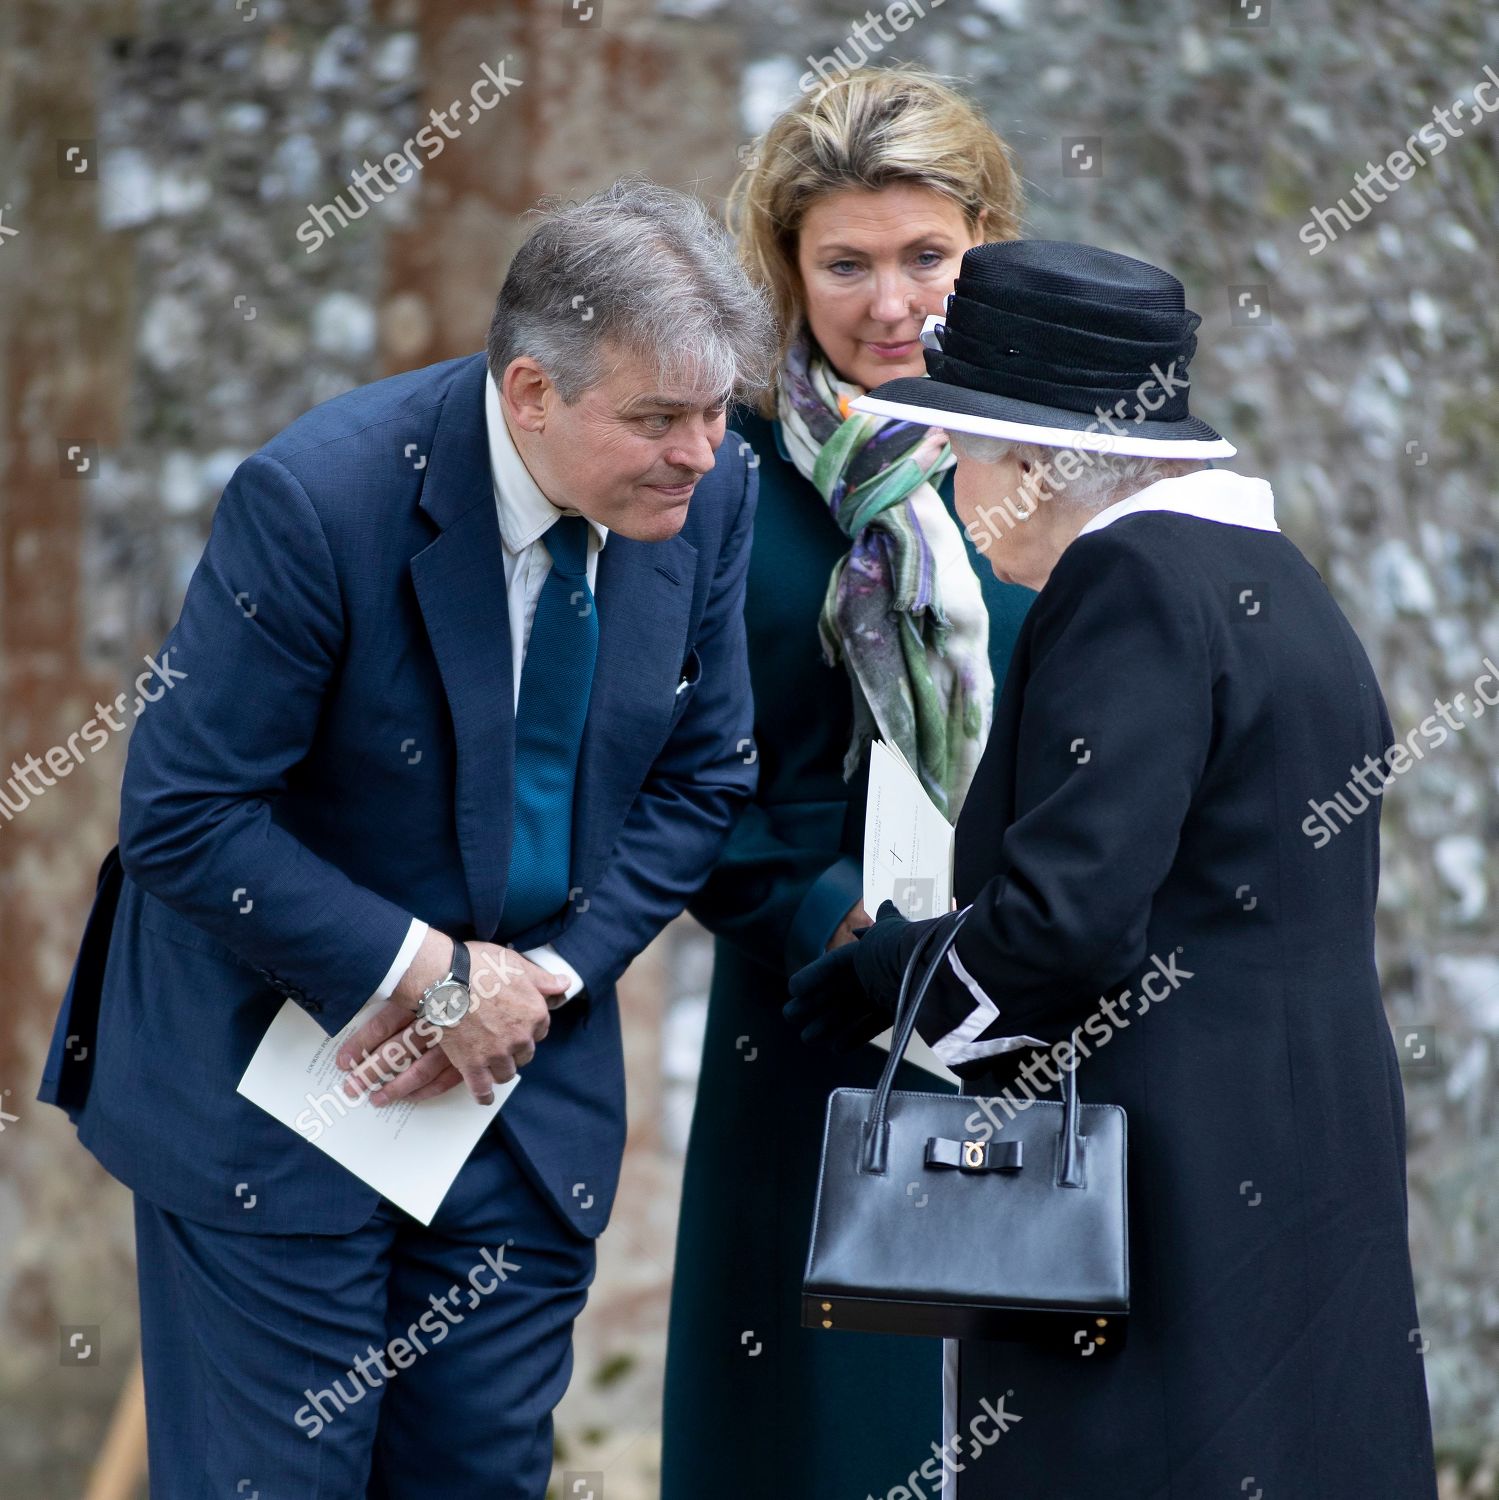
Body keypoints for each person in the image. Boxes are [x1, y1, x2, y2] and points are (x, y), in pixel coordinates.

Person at [37, 177, 775, 1500]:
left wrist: (539, 982)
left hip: (517, 1089)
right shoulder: (318, 501)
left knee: (477, 1478)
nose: (698, 452)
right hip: (268, 1080)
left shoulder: (708, 501)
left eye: (716, 411)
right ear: (529, 392)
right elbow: (181, 814)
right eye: (657, 419)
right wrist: (430, 977)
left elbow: (701, 777)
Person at [786, 238, 1439, 1498]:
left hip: (1166, 1164)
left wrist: (887, 975)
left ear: (1032, 461)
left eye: (962, 451)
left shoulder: (1127, 580)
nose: (955, 488)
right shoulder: (1275, 577)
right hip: (1307, 1137)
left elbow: (1068, 922)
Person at [662, 66, 1036, 1498]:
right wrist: (832, 927)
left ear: (984, 242)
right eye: (845, 263)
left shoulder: (1051, 454)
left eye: (926, 257)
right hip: (812, 1003)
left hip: (1034, 984)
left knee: (1025, 1388)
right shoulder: (719, 475)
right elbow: (674, 772)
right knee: (824, 1429)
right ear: (784, 268)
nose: (891, 302)